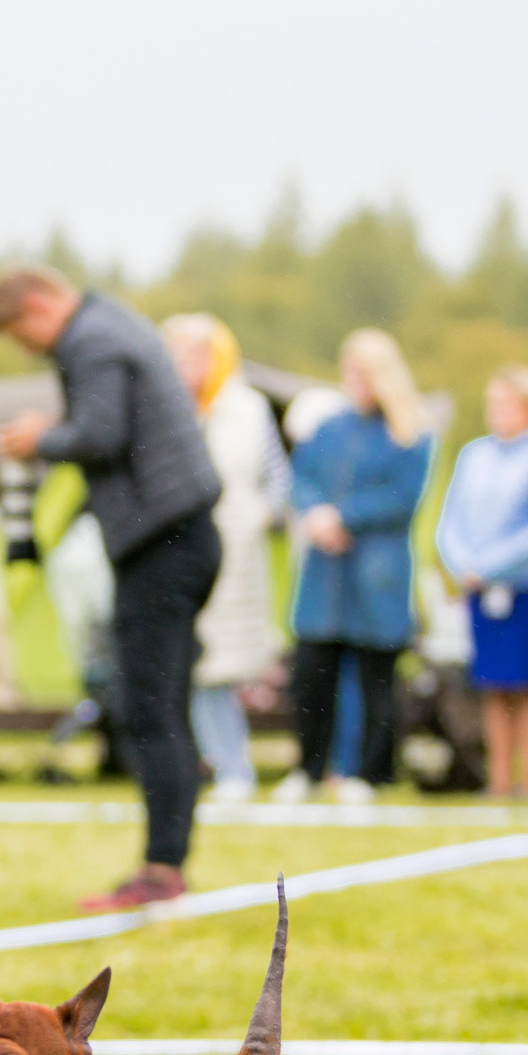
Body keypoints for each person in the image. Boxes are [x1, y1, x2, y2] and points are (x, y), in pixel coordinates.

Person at [0, 265, 222, 909]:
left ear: (38, 307)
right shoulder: (112, 324)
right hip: (183, 538)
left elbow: (102, 434)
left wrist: (41, 438)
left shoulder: (92, 340)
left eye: (22, 336)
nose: (29, 350)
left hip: (163, 547)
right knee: (164, 705)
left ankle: (161, 870)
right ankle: (167, 864)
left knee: (150, 707)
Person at [272, 328, 432, 805]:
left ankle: (368, 771)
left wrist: (345, 516)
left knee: (374, 677)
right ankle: (308, 767)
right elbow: (302, 477)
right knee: (312, 672)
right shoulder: (330, 428)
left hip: (376, 570)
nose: (354, 381)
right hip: (325, 569)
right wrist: (315, 514)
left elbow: (402, 498)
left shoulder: (410, 433)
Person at [160, 312, 291, 803]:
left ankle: (231, 764)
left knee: (221, 665)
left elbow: (278, 479)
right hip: (177, 549)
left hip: (235, 548)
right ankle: (201, 763)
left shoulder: (248, 409)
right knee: (188, 664)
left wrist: (260, 515)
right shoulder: (164, 408)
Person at [433, 365, 528, 797]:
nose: (498, 412)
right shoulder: (473, 455)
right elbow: (450, 519)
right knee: (493, 684)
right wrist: (460, 563)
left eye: (507, 404)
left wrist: (491, 565)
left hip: (526, 587)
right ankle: (498, 781)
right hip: (479, 588)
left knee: (527, 684)